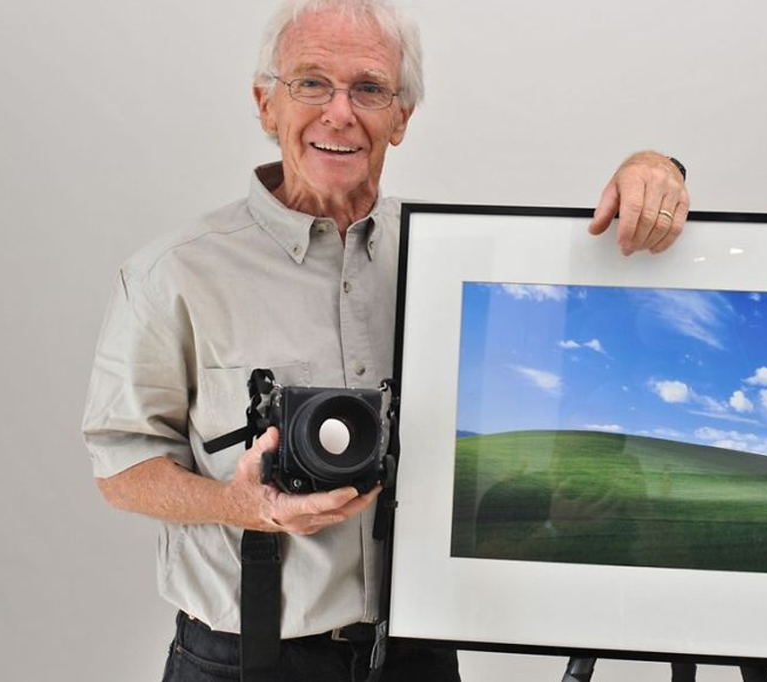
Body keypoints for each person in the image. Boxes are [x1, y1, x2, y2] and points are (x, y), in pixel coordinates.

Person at [81, 0, 689, 680]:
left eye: (369, 88)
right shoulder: (176, 273)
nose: (339, 113)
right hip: (242, 662)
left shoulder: (458, 259)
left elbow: (584, 281)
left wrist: (656, 168)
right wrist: (238, 505)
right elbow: (121, 468)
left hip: (415, 659)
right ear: (265, 104)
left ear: (401, 118)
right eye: (310, 82)